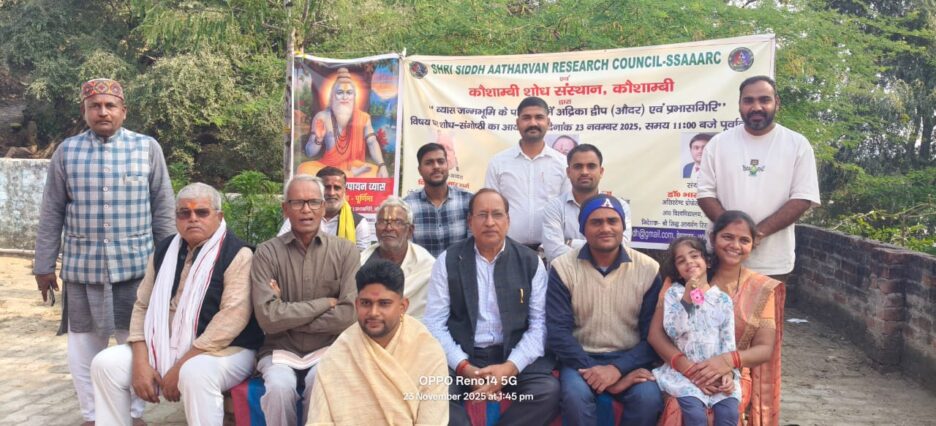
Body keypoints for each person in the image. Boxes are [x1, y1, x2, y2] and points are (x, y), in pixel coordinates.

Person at [33, 78, 175, 424]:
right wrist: (43, 265)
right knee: (83, 349)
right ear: (84, 111)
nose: (103, 112)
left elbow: (163, 209)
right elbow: (51, 212)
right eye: (94, 106)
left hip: (137, 270)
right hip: (83, 270)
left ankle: (133, 413)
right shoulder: (67, 152)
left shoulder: (147, 148)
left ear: (124, 111)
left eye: (110, 105)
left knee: (136, 346)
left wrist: (171, 264)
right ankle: (93, 415)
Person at [90, 183, 263, 425]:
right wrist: (140, 361)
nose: (192, 219)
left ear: (219, 216)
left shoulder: (238, 254)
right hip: (162, 345)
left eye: (201, 212)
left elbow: (232, 318)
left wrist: (180, 365)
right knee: (105, 364)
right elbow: (142, 305)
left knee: (196, 373)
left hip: (226, 350)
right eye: (184, 213)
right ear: (176, 218)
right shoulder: (164, 250)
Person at [423, 188, 560, 425]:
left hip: (512, 355)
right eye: (482, 215)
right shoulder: (448, 260)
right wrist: (465, 368)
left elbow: (539, 325)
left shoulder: (530, 262)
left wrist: (510, 368)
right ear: (470, 221)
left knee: (547, 391)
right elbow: (434, 324)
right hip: (463, 355)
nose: (489, 222)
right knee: (435, 393)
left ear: (508, 221)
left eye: (497, 214)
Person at [649, 211, 784, 426]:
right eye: (727, 237)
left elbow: (764, 349)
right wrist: (690, 370)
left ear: (753, 244)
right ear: (713, 239)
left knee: (726, 409)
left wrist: (727, 364)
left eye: (744, 240)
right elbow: (656, 335)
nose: (735, 245)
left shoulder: (760, 289)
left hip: (730, 373)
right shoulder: (680, 283)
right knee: (683, 409)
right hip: (681, 368)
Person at [251, 174, 360, 426]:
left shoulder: (345, 251)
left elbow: (348, 315)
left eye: (313, 202)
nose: (306, 209)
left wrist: (287, 317)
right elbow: (267, 318)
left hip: (327, 348)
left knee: (320, 382)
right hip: (279, 349)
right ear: (285, 208)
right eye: (297, 202)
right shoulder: (267, 252)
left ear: (323, 207)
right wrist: (325, 303)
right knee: (279, 388)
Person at [546, 194, 663, 426]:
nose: (606, 228)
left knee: (648, 399)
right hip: (579, 359)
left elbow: (653, 336)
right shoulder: (563, 268)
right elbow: (558, 333)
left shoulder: (648, 269)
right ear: (583, 229)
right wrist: (600, 373)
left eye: (612, 221)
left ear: (623, 227)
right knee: (575, 398)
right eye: (596, 222)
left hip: (631, 359)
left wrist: (617, 369)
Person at [697, 76, 820, 281]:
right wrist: (733, 235)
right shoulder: (718, 143)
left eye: (764, 100)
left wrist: (755, 235)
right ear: (739, 105)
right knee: (715, 303)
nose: (756, 107)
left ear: (777, 103)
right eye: (748, 100)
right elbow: (705, 193)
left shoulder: (797, 144)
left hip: (772, 262)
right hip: (722, 258)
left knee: (767, 305)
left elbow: (802, 198)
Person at [307, 259, 449, 425]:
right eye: (366, 303)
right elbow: (319, 421)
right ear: (356, 304)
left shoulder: (428, 351)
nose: (373, 312)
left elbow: (432, 420)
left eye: (384, 304)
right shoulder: (337, 354)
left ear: (403, 306)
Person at [651, 236, 740, 426]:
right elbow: (673, 331)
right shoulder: (673, 294)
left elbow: (728, 341)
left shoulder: (722, 300)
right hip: (684, 373)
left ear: (707, 262)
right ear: (677, 270)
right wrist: (687, 299)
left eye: (694, 256)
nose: (689, 262)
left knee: (729, 412)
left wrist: (728, 372)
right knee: (695, 415)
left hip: (717, 371)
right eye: (681, 260)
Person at [485, 96, 570, 250]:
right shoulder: (498, 162)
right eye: (526, 118)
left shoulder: (562, 163)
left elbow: (567, 209)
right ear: (517, 123)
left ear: (548, 122)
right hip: (508, 249)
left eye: (539, 117)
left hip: (552, 250)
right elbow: (490, 207)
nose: (533, 123)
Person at [542, 144, 632, 264]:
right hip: (565, 275)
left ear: (601, 171)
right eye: (578, 167)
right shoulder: (554, 207)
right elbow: (554, 253)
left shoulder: (619, 206)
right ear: (568, 172)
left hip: (608, 274)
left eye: (591, 166)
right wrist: (601, 249)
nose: (584, 172)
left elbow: (621, 248)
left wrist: (571, 243)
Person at [301, 67, 388, 178]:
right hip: (329, 168)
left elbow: (372, 142)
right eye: (340, 92)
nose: (345, 97)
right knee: (303, 169)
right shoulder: (322, 117)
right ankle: (350, 174)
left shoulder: (363, 118)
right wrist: (318, 139)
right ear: (332, 95)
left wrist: (382, 165)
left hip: (354, 165)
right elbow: (310, 153)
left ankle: (347, 174)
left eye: (349, 93)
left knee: (375, 172)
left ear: (354, 96)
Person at [360, 196, 436, 319]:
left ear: (410, 231)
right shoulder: (361, 261)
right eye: (383, 221)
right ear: (375, 228)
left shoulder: (426, 266)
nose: (388, 228)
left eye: (397, 222)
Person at [278, 166, 375, 251]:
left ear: (345, 191)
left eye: (337, 188)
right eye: (326, 187)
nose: (332, 193)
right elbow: (281, 246)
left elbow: (362, 259)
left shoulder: (358, 224)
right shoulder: (301, 217)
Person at [404, 142, 473, 257]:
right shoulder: (407, 206)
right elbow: (407, 250)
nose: (436, 166)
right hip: (423, 268)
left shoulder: (467, 200)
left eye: (441, 161)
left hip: (459, 268)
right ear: (420, 170)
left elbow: (474, 246)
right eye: (429, 163)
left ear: (447, 165)